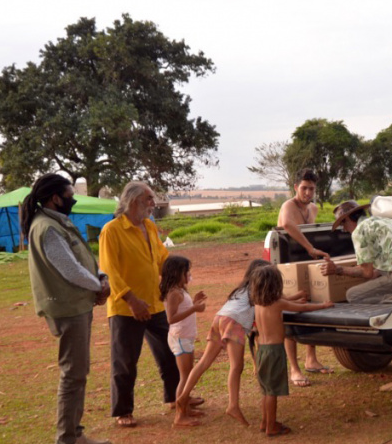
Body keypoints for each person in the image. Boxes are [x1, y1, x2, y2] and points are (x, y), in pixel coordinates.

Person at [21, 173, 112, 444]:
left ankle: (75, 434)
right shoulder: (46, 227)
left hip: (77, 305)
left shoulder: (55, 222)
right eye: (69, 194)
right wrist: (99, 287)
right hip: (68, 309)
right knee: (73, 375)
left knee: (78, 372)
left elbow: (82, 260)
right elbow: (69, 270)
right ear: (54, 198)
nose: (72, 198)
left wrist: (100, 277)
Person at [99, 181, 196, 428]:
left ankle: (177, 398)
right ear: (133, 201)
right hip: (126, 308)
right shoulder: (111, 231)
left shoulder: (150, 227)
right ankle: (123, 410)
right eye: (149, 199)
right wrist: (131, 300)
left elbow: (163, 259)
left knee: (170, 351)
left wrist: (179, 275)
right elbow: (109, 271)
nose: (153, 203)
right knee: (125, 361)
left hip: (155, 303)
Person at [174, 259, 272, 428]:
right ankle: (233, 405)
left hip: (220, 318)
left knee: (204, 361)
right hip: (234, 322)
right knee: (236, 366)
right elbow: (277, 302)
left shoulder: (242, 289)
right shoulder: (258, 291)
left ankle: (183, 397)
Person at [251, 265, 334, 437]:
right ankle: (271, 427)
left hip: (262, 351)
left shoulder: (258, 304)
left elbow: (291, 304)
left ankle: (265, 421)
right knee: (272, 391)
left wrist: (295, 301)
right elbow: (302, 309)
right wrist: (323, 306)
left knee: (266, 390)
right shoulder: (278, 303)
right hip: (274, 351)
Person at [277, 168, 332, 387]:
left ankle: (311, 359)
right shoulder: (288, 206)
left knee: (312, 303)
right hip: (287, 266)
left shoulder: (314, 208)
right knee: (291, 311)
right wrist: (310, 248)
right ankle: (294, 369)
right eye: (304, 188)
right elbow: (289, 226)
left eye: (311, 188)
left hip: (307, 264)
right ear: (295, 187)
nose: (308, 192)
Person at [320, 201, 392, 304]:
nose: (344, 229)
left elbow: (367, 273)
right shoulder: (385, 221)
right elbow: (377, 269)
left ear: (348, 219)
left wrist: (338, 269)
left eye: (342, 224)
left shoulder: (360, 230)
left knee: (352, 295)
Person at [159, 255, 207, 426]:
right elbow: (171, 318)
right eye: (186, 271)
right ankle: (180, 416)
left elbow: (183, 309)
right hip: (180, 338)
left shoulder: (180, 291)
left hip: (185, 337)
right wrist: (194, 307)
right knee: (185, 376)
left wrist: (193, 302)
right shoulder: (173, 293)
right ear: (176, 273)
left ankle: (185, 408)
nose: (189, 275)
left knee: (187, 374)